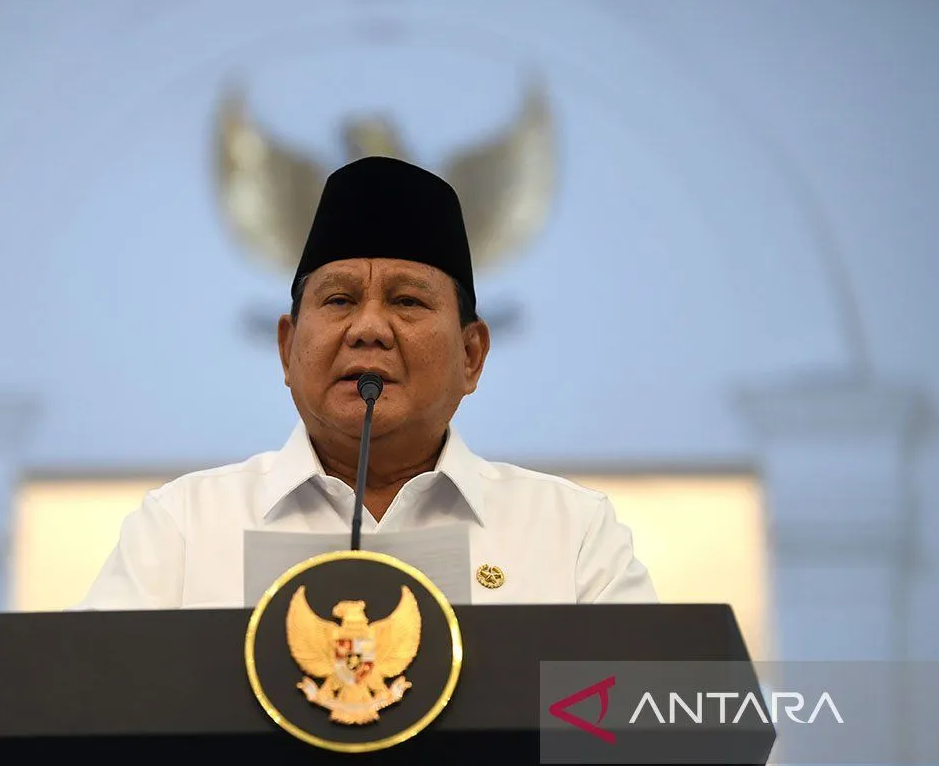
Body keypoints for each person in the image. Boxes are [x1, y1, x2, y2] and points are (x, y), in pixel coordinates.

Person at [76, 156, 657, 609]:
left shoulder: (571, 533)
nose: (369, 328)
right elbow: (81, 704)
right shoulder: (184, 526)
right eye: (339, 300)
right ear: (287, 347)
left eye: (407, 301)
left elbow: (651, 715)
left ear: (471, 355)